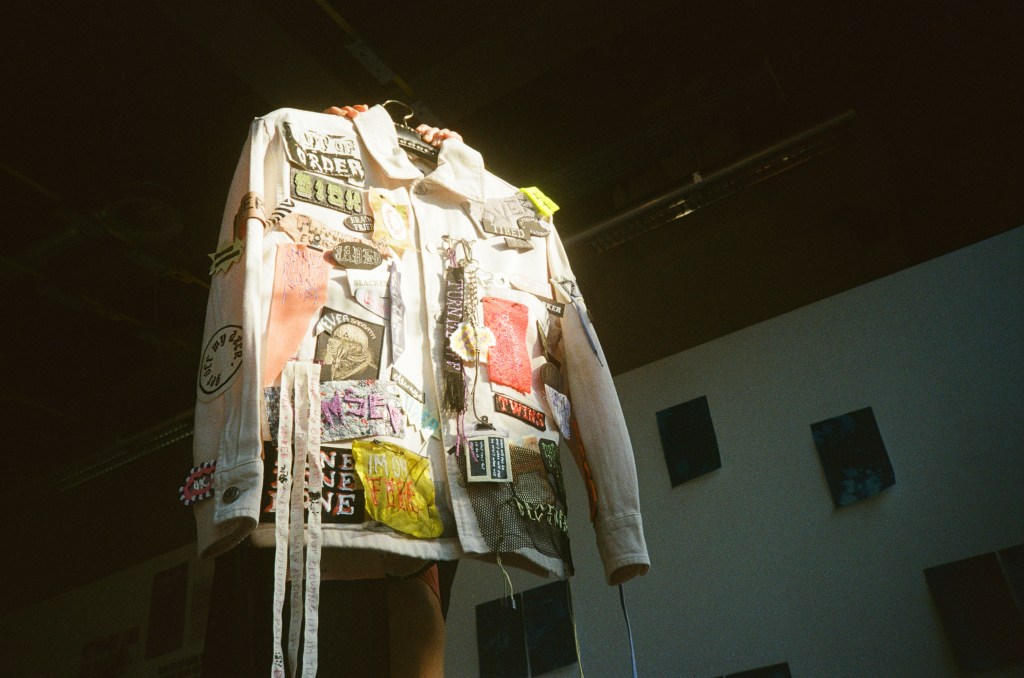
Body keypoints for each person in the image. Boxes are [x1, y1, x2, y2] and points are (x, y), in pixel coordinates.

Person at [201, 106, 461, 678]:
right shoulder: (286, 141)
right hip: (291, 477)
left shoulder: (454, 198)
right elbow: (237, 290)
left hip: (407, 488)